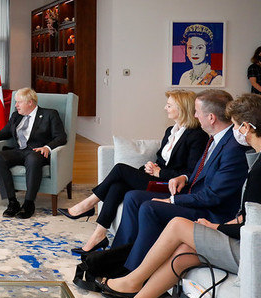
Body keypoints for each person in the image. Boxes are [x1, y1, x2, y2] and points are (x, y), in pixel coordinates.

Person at [99, 94, 261, 298]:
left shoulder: (259, 165)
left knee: (175, 224)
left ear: (247, 127)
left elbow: (252, 224)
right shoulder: (258, 159)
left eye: (236, 125)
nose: (233, 129)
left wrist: (217, 226)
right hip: (242, 232)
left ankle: (133, 281)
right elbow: (251, 213)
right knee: (183, 252)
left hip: (250, 249)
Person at [110, 89, 249, 272]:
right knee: (133, 197)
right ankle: (117, 258)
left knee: (150, 207)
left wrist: (173, 200)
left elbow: (214, 196)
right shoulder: (216, 138)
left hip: (211, 212)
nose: (195, 115)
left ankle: (133, 271)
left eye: (197, 112)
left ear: (211, 118)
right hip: (195, 196)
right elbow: (199, 172)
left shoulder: (233, 148)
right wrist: (183, 177)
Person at [62, 90, 209, 254]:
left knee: (120, 169)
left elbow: (191, 172)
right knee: (117, 186)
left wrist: (160, 173)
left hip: (171, 185)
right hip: (155, 177)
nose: (165, 108)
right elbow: (162, 159)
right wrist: (151, 166)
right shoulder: (170, 131)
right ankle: (98, 235)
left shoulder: (197, 136)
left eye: (169, 105)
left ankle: (88, 204)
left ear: (182, 109)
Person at [0, 87, 67, 219]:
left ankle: (29, 204)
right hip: (19, 151)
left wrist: (47, 147)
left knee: (33, 160)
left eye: (19, 102)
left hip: (37, 152)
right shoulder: (16, 116)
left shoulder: (50, 114)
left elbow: (61, 137)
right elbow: (4, 134)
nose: (15, 105)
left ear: (30, 102)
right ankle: (12, 202)